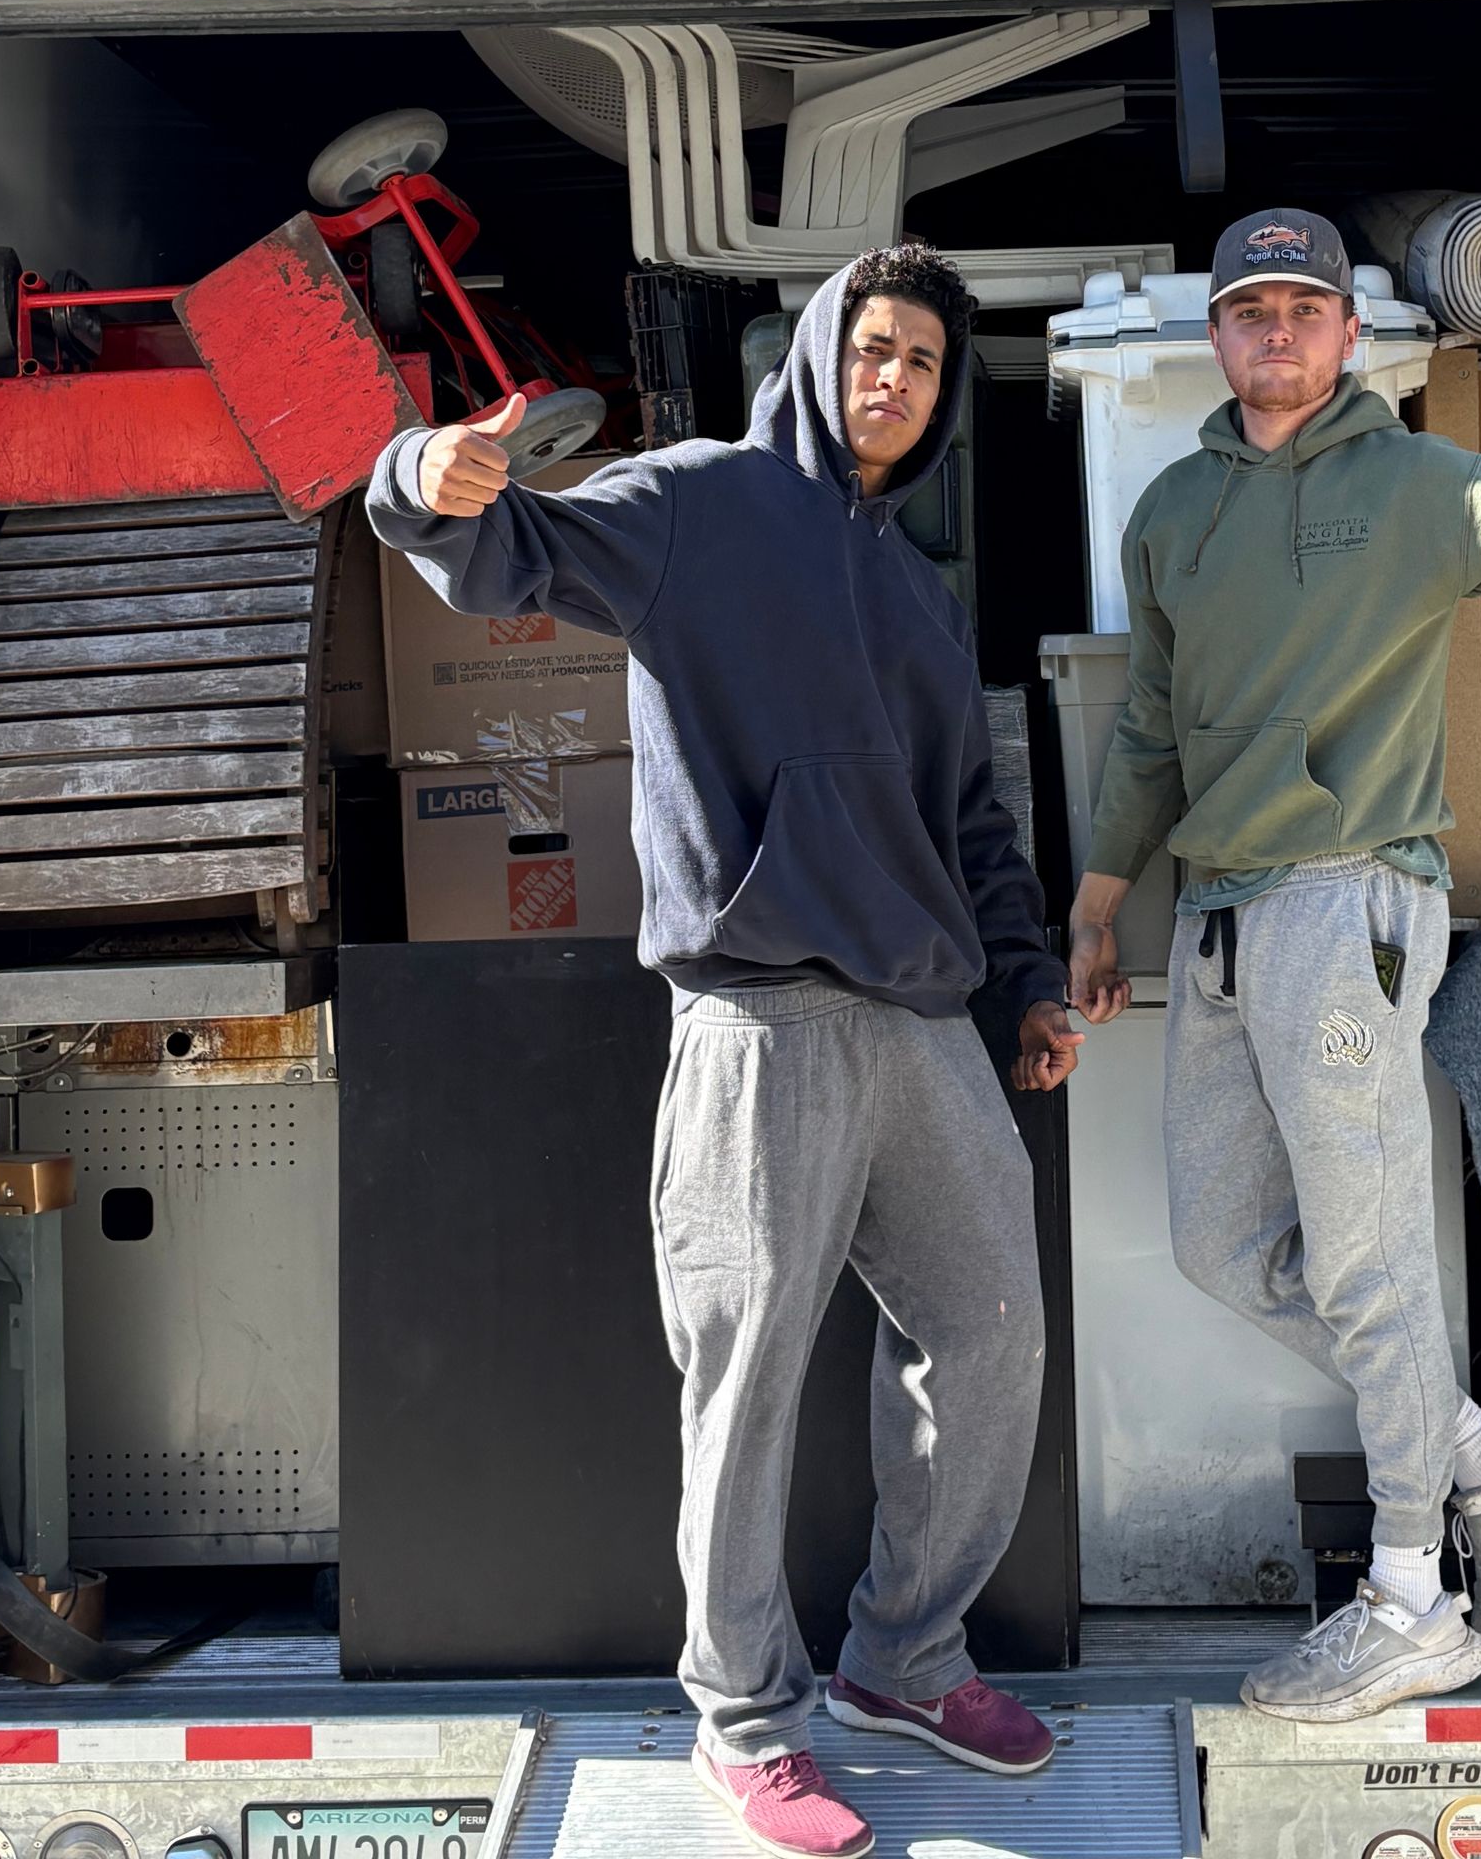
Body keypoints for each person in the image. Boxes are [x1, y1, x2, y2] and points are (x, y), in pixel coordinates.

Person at [368, 244, 1080, 1859]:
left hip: (923, 1027)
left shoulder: (918, 587)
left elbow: (970, 824)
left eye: (921, 361)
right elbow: (502, 557)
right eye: (871, 346)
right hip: (757, 1017)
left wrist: (1027, 982)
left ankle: (905, 1662)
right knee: (744, 1382)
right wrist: (428, 474)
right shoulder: (696, 503)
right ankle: (748, 1723)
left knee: (990, 1335)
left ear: (948, 393)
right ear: (817, 351)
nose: (890, 377)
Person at [1066, 206, 1481, 1724]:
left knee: (1366, 1262)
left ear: (1351, 338)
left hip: (1347, 902)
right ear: (1214, 338)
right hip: (1217, 919)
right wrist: (1100, 907)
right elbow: (1150, 731)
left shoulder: (1420, 484)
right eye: (1250, 310)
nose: (1276, 331)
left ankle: (1414, 1595)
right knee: (1225, 1249)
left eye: (1305, 307)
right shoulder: (1170, 514)